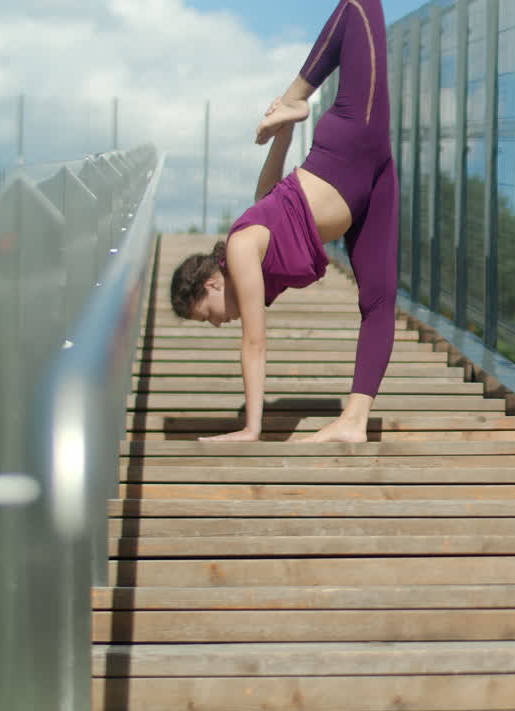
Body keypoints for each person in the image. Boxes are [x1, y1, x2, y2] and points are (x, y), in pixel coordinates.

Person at [169, 0, 397, 443]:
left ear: (212, 285)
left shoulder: (239, 253)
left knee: (360, 5)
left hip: (349, 150)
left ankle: (295, 93)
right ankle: (354, 420)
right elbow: (268, 196)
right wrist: (285, 131)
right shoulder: (256, 240)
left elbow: (254, 343)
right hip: (372, 180)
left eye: (207, 316)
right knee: (379, 299)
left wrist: (252, 428)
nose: (217, 323)